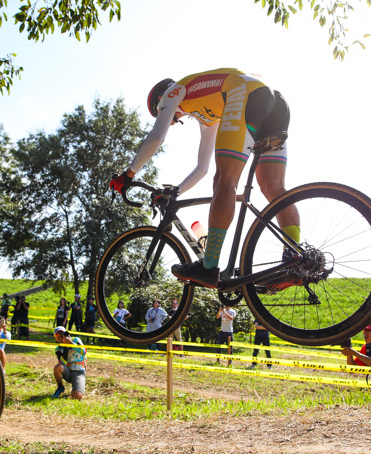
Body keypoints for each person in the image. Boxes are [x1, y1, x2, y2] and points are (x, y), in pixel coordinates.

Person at [110, 68, 299, 289]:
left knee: (225, 181)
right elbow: (202, 167)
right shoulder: (207, 114)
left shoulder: (173, 92)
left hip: (247, 96)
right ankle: (295, 259)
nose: (173, 120)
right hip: (274, 104)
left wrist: (128, 175)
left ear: (159, 102)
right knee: (272, 187)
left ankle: (208, 267)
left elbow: (156, 138)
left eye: (165, 115)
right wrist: (176, 191)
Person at [52, 326, 87, 400]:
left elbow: (84, 352)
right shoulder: (58, 349)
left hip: (79, 372)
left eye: (62, 334)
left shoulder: (76, 340)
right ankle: (60, 387)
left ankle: (77, 389)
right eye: (57, 336)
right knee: (58, 367)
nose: (60, 337)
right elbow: (62, 363)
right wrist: (66, 347)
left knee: (77, 396)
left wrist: (71, 343)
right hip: (68, 372)